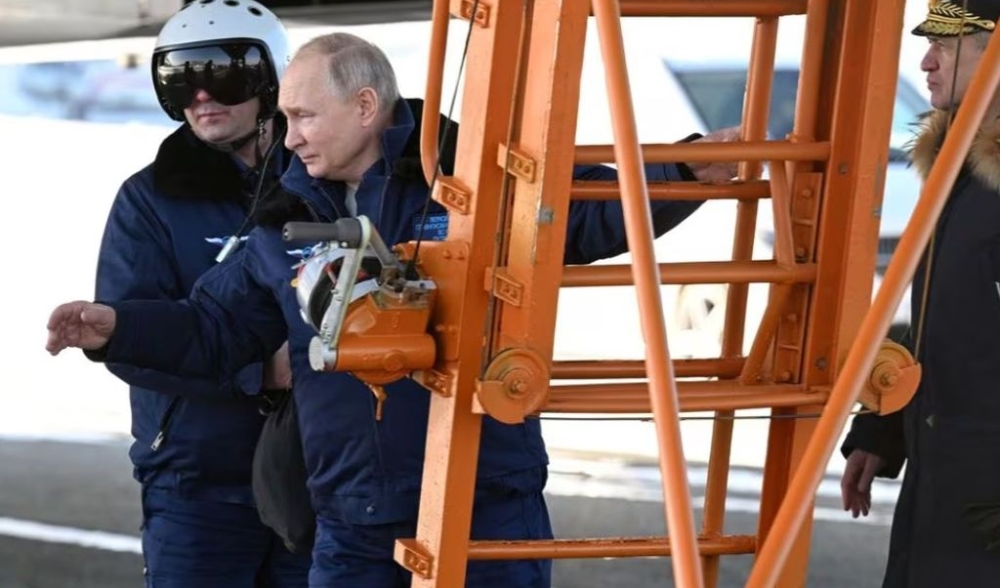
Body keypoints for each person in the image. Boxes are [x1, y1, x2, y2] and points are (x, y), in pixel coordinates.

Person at [47, 31, 737, 587]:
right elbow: (216, 328)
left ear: (365, 107)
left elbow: (581, 216)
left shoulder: (464, 175)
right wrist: (119, 328)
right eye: (286, 119)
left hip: (483, 501)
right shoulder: (282, 218)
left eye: (304, 117)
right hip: (352, 519)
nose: (289, 137)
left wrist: (679, 172)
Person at [92, 0, 310, 587]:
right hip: (198, 487)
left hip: (318, 474)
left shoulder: (323, 180)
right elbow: (133, 339)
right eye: (181, 81)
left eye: (223, 76)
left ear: (271, 81)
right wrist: (259, 374)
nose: (202, 97)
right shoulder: (149, 200)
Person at [840, 0, 1000, 587]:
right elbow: (946, 319)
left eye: (947, 47)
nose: (927, 63)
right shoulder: (959, 168)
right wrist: (883, 425)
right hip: (946, 477)